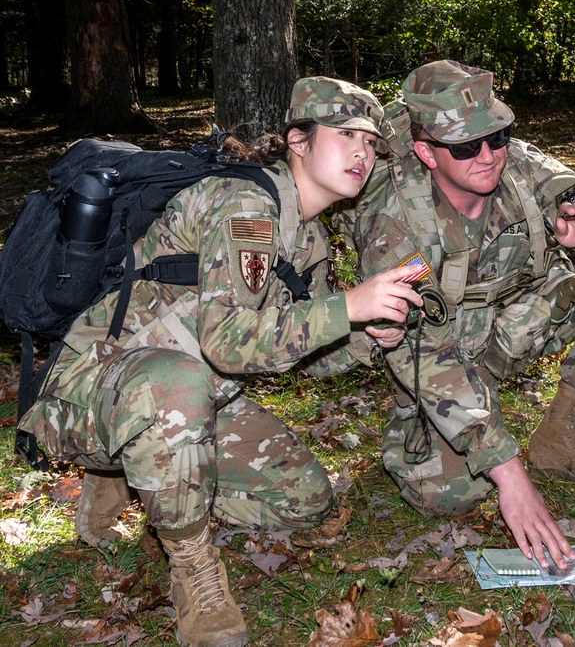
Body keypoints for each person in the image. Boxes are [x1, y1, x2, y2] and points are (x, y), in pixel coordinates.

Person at [18, 77, 422, 647]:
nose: (363, 151)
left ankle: (135, 471)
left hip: (182, 398)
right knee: (175, 384)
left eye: (372, 142)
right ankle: (193, 569)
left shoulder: (307, 240)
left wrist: (361, 335)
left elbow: (292, 351)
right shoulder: (246, 206)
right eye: (346, 133)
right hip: (87, 389)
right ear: (297, 141)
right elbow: (228, 344)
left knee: (304, 499)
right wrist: (346, 306)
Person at [351, 60, 575, 570]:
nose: (489, 156)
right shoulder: (395, 221)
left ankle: (561, 435)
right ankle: (423, 431)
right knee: (448, 495)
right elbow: (422, 349)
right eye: (466, 147)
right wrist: (509, 474)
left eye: (497, 136)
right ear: (426, 152)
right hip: (437, 357)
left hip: (514, 329)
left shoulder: (525, 168)